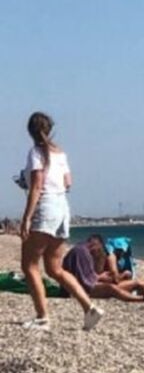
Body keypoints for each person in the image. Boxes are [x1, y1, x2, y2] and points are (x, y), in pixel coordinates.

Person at [19, 112, 104, 330]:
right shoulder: (60, 153)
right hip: (62, 209)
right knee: (54, 268)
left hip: (45, 208)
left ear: (30, 131)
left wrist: (26, 218)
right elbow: (67, 182)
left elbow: (37, 186)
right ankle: (89, 308)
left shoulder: (36, 152)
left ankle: (42, 317)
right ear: (50, 129)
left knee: (29, 266)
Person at [63, 234, 144, 303]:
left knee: (137, 284)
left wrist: (99, 276)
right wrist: (120, 275)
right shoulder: (83, 252)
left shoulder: (81, 250)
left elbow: (84, 275)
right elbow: (86, 281)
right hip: (82, 290)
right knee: (112, 288)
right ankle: (143, 299)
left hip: (77, 288)